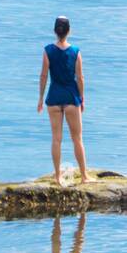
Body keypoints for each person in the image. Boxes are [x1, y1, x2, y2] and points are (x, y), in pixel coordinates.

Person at [37, 16, 88, 186]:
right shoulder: (76, 52)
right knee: (77, 139)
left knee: (56, 139)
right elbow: (79, 78)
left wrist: (40, 98)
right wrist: (82, 98)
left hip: (53, 98)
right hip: (71, 97)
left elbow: (44, 76)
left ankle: (58, 177)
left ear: (54, 31)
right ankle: (84, 176)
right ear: (69, 31)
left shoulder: (48, 51)